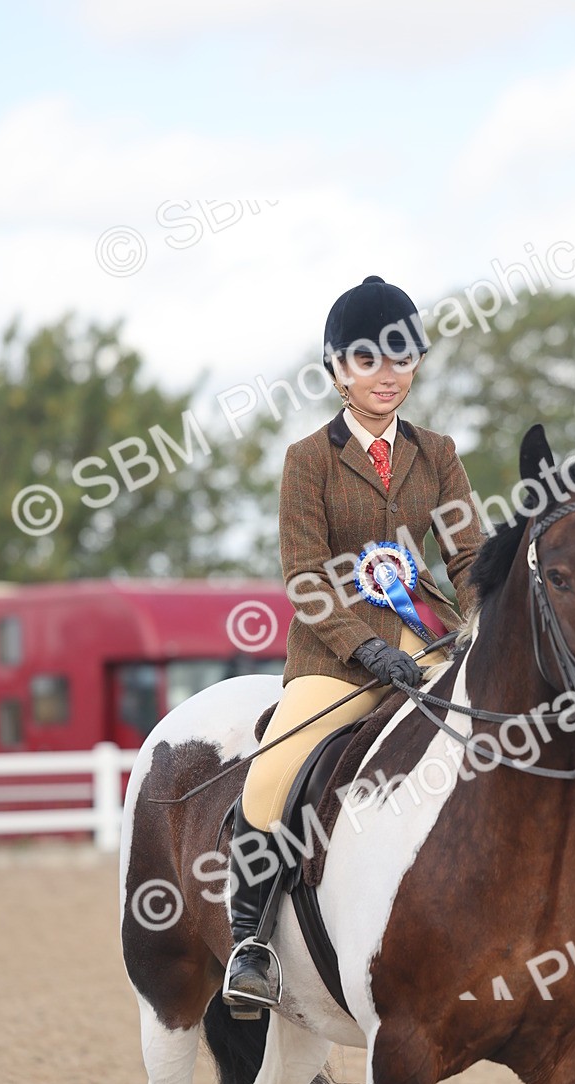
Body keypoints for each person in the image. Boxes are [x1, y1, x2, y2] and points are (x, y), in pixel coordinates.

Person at [223, 275, 483, 1014]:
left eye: (401, 357)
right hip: (334, 655)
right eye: (368, 360)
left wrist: (477, 626)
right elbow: (304, 574)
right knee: (272, 775)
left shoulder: (437, 451)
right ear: (338, 369)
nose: (387, 374)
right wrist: (363, 651)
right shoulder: (308, 458)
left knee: (521, 725)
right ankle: (251, 943)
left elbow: (467, 557)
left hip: (428, 637)